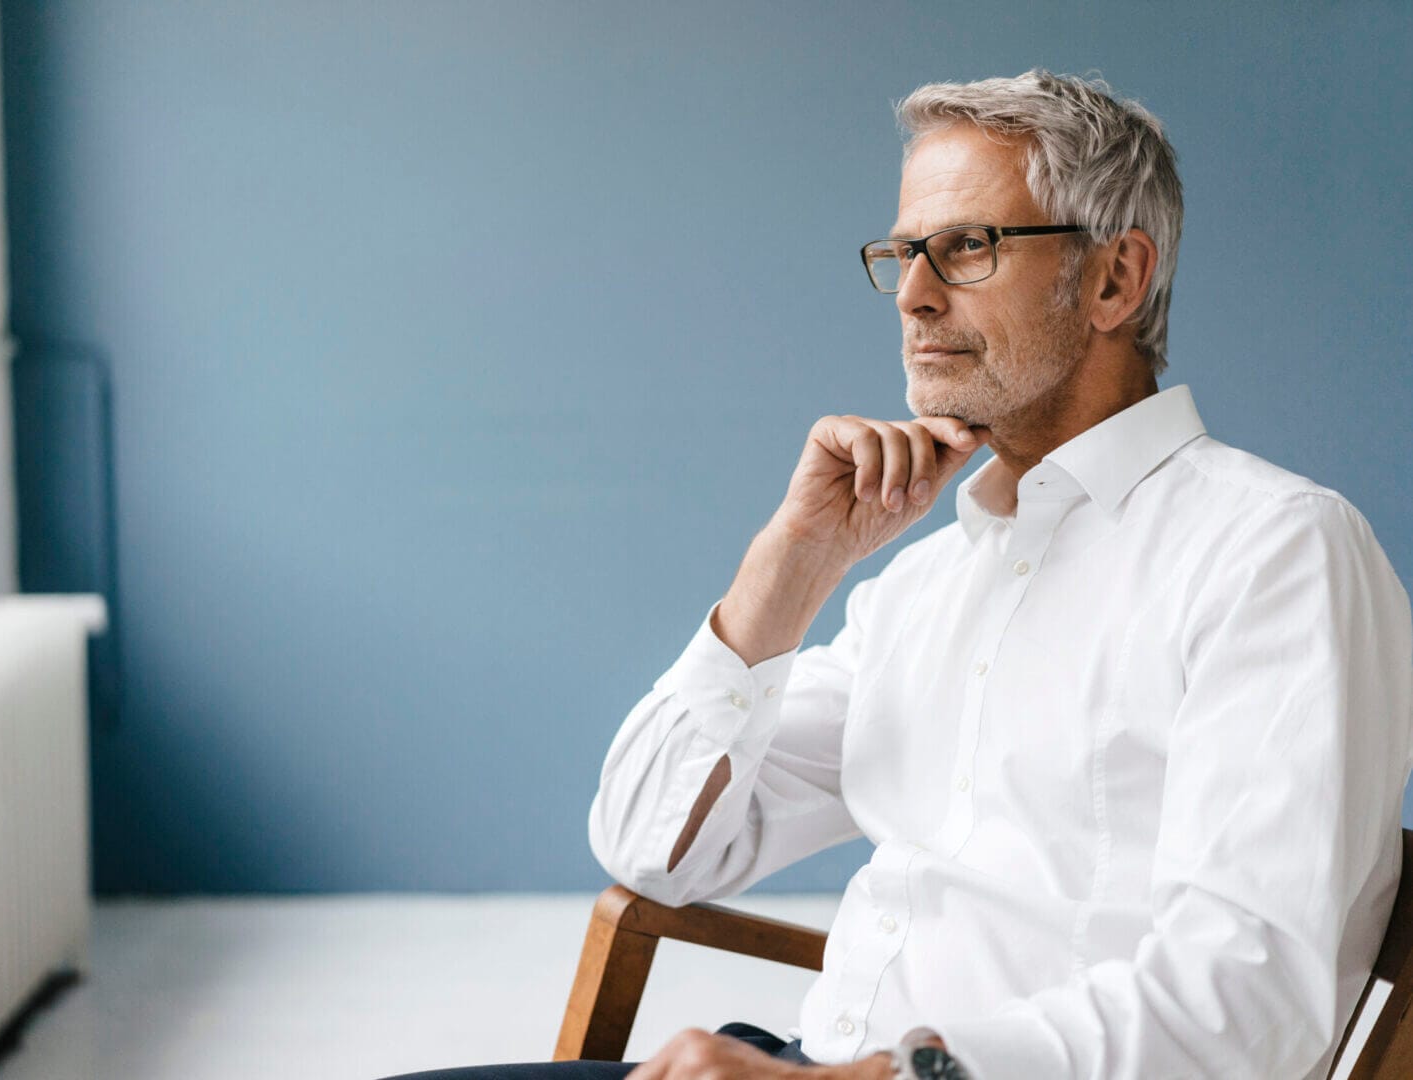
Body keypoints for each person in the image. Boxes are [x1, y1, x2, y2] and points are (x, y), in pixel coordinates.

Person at [385, 69, 1413, 1080]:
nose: (914, 297)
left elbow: (1249, 1004)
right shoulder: (926, 587)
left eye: (966, 248)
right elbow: (653, 848)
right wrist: (793, 560)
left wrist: (884, 1077)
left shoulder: (1274, 554)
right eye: (901, 253)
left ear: (1113, 278)